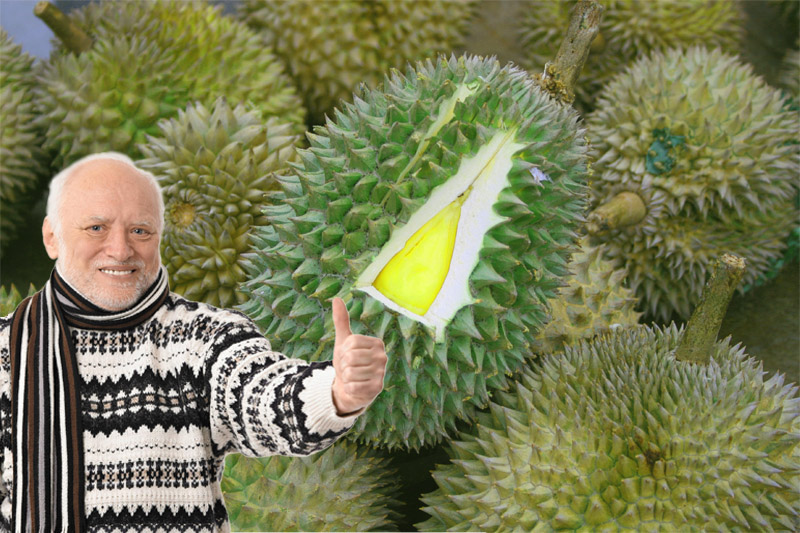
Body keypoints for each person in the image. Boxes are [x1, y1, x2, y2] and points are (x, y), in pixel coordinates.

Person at [0, 152, 388, 532]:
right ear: (52, 237)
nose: (120, 249)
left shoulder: (204, 338)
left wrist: (335, 393)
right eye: (96, 228)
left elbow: (260, 395)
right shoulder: (6, 350)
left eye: (140, 230)